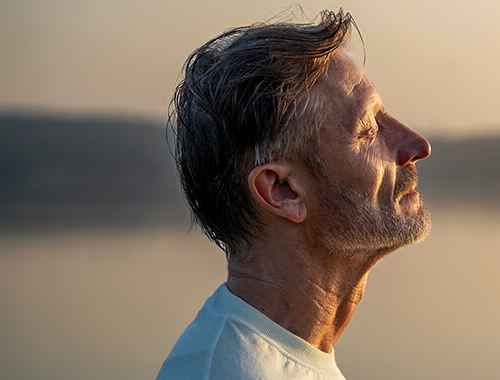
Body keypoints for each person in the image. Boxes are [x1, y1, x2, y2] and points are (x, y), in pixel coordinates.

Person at [156, 9, 432, 380]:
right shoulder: (230, 372)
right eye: (367, 128)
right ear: (282, 191)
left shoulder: (286, 355)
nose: (416, 144)